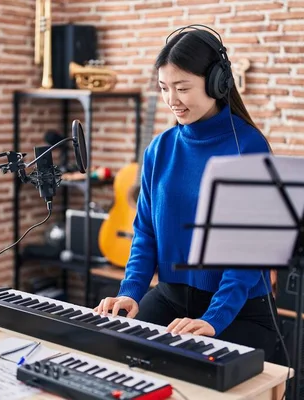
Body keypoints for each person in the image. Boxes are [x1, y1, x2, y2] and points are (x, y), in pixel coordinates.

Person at [94, 25, 279, 360]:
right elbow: (145, 232)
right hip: (170, 297)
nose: (171, 100)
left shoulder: (249, 147)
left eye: (182, 88)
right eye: (164, 88)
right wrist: (131, 292)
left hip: (238, 307)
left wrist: (214, 319)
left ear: (217, 83)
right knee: (113, 352)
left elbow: (250, 251)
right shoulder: (159, 148)